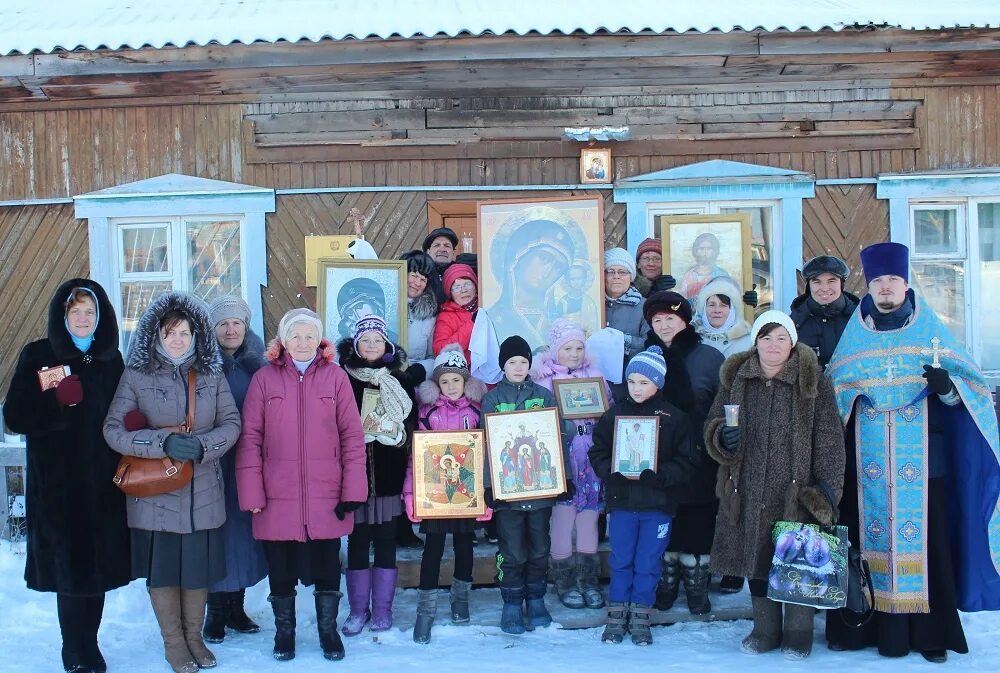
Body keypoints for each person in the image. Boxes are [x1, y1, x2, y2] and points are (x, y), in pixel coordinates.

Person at [825, 242, 1000, 663]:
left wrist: (948, 390)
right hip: (866, 467)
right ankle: (866, 631)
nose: (885, 288)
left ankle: (931, 632)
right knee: (864, 543)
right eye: (878, 281)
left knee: (929, 543)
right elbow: (833, 399)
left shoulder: (933, 335)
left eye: (892, 281)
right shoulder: (854, 339)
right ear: (869, 286)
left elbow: (972, 393)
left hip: (922, 466)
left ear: (905, 284)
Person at [103, 292, 241, 673]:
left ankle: (194, 638)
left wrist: (203, 446)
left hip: (203, 490)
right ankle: (174, 644)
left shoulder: (212, 374)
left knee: (197, 571)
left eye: (184, 332)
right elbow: (114, 431)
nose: (177, 339)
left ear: (196, 335)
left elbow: (231, 424)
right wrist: (160, 442)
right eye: (170, 333)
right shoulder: (136, 374)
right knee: (164, 571)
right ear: (156, 336)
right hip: (156, 493)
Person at [4, 279, 131, 673]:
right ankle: (73, 649)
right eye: (75, 312)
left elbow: (122, 409)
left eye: (89, 312)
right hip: (59, 488)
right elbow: (15, 417)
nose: (82, 318)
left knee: (98, 573)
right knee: (70, 571)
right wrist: (56, 406)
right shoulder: (40, 356)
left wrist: (133, 421)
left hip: (106, 485)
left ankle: (91, 644)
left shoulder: (111, 358)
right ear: (63, 315)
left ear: (100, 316)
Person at [704, 310, 845, 659]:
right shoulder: (737, 378)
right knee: (757, 557)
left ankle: (798, 633)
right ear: (756, 342)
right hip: (747, 487)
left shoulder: (814, 383)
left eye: (781, 338)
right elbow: (714, 421)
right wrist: (723, 437)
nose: (773, 345)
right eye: (766, 338)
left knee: (796, 560)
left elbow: (829, 439)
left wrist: (827, 489)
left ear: (792, 343)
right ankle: (764, 629)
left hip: (796, 490)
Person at [235, 308, 367, 661]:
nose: (303, 342)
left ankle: (328, 631)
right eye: (296, 336)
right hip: (276, 493)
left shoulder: (336, 379)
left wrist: (353, 490)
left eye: (310, 335)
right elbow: (250, 438)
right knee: (281, 568)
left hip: (327, 492)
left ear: (319, 339)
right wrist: (252, 492)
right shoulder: (264, 379)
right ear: (283, 341)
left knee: (326, 565)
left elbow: (353, 436)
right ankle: (285, 633)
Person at [588, 346, 697, 646]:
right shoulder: (614, 416)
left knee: (648, 561)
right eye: (632, 381)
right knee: (622, 560)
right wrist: (609, 470)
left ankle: (640, 614)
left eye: (644, 382)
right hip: (622, 503)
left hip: (657, 506)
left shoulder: (674, 418)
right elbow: (597, 450)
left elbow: (686, 461)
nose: (637, 388)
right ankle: (617, 613)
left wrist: (661, 476)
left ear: (658, 384)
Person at [642, 291, 725, 614]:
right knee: (665, 520)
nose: (663, 325)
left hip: (701, 454)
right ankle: (667, 582)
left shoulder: (709, 357)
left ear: (685, 321)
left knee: (699, 519)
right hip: (659, 456)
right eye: (657, 320)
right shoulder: (645, 356)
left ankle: (696, 586)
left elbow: (722, 403)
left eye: (670, 319)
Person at [482, 335, 571, 635]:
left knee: (538, 548)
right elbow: (487, 444)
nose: (519, 367)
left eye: (523, 362)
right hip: (508, 494)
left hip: (541, 490)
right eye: (512, 363)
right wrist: (489, 486)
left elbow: (555, 439)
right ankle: (511, 601)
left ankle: (535, 599)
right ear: (503, 366)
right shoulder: (493, 399)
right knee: (513, 550)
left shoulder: (544, 397)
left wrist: (563, 478)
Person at [337, 315, 418, 635]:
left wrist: (398, 436)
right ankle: (358, 609)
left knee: (386, 541)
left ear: (387, 345)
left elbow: (411, 422)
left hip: (388, 473)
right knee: (357, 542)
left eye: (378, 340)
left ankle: (383, 609)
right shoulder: (343, 377)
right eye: (365, 340)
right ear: (356, 344)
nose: (372, 345)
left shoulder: (400, 378)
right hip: (354, 474)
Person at [405, 345, 491, 644]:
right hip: (436, 497)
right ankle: (425, 608)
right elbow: (416, 459)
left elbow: (485, 458)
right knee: (434, 549)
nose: (451, 386)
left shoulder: (477, 412)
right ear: (437, 384)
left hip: (467, 495)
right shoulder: (428, 414)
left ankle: (460, 599)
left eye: (456, 380)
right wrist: (411, 495)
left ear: (465, 382)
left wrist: (485, 496)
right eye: (445, 381)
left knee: (465, 547)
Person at [201, 295, 268, 645]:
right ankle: (215, 611)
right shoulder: (202, 365)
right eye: (223, 324)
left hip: (248, 459)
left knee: (244, 532)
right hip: (213, 461)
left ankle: (237, 608)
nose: (230, 330)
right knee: (217, 532)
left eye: (236, 323)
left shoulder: (259, 366)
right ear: (212, 330)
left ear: (246, 327)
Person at [531, 319, 610, 610]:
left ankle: (588, 580)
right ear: (555, 350)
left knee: (589, 520)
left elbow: (608, 415)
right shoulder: (543, 382)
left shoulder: (596, 377)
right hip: (563, 460)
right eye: (568, 348)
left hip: (590, 459)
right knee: (563, 521)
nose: (574, 353)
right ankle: (564, 580)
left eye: (579, 347)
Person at [789, 255, 859, 369]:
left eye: (831, 281)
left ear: (841, 284)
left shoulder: (860, 319)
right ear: (809, 286)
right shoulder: (795, 322)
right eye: (817, 282)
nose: (825, 288)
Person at [603, 248, 651, 402]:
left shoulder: (644, 306)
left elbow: (650, 342)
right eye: (610, 271)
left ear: (631, 277)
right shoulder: (593, 304)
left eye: (622, 272)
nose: (616, 276)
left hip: (630, 383)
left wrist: (620, 340)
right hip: (596, 381)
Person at [399, 250, 440, 382]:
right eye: (414, 276)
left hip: (413, 381)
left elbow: (432, 357)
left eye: (423, 279)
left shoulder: (430, 316)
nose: (417, 283)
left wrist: (420, 370)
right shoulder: (384, 305)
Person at [693, 276, 753, 358]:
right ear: (703, 308)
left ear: (733, 310)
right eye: (711, 305)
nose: (717, 310)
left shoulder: (749, 343)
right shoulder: (691, 341)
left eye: (723, 305)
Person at [432, 262, 479, 366]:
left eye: (467, 284)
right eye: (457, 287)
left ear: (475, 287)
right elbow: (440, 350)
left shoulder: (487, 307)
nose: (464, 290)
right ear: (450, 293)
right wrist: (472, 324)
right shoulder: (446, 317)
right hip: (463, 375)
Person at [423, 226, 459, 302]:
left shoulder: (461, 275)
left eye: (447, 246)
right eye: (437, 245)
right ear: (428, 252)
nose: (442, 249)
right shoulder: (420, 276)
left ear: (453, 253)